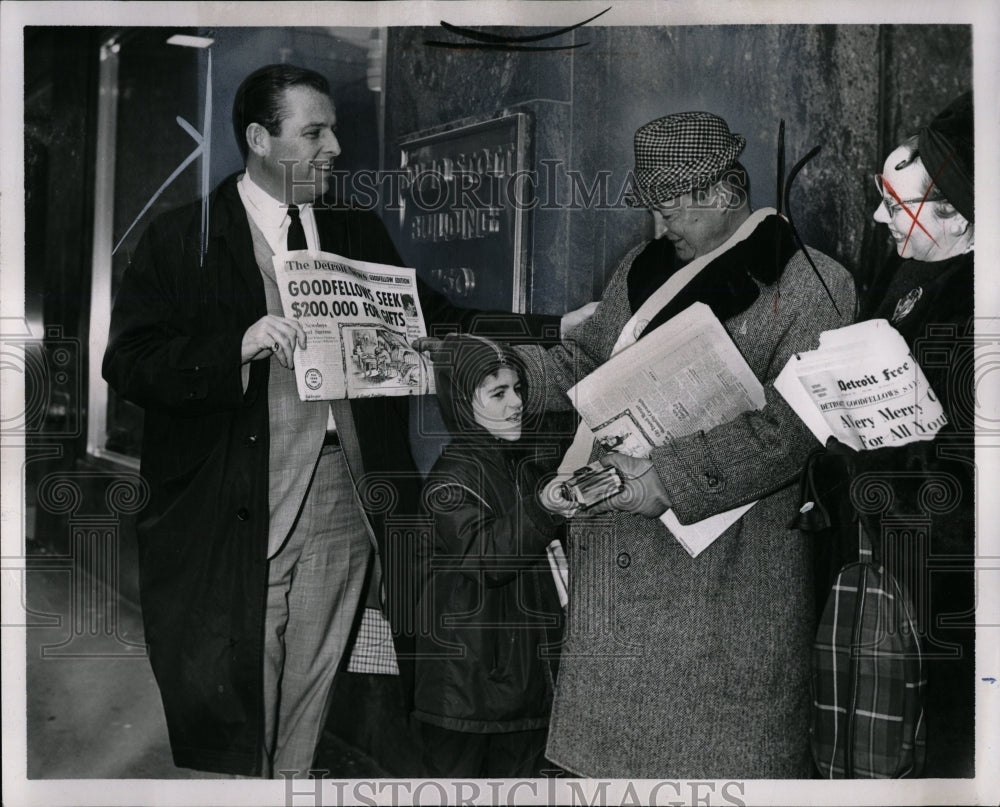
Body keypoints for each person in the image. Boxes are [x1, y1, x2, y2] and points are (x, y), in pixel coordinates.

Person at [102, 63, 586, 777]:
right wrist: (235, 344)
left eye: (334, 130)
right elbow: (130, 361)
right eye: (314, 131)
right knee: (244, 673)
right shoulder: (184, 239)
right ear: (260, 139)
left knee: (317, 670)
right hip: (238, 495)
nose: (333, 147)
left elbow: (436, 313)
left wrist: (556, 325)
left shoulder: (353, 228)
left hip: (346, 490)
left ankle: (289, 784)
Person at [507, 112, 858, 777]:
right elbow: (587, 357)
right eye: (655, 210)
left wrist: (665, 478)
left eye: (672, 209)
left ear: (725, 193)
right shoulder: (643, 267)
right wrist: (520, 378)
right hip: (617, 584)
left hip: (723, 592)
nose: (661, 227)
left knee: (702, 770)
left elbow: (789, 429)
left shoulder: (813, 283)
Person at [797, 91, 975, 777]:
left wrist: (865, 467)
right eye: (881, 193)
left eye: (896, 206)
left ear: (960, 217)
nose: (877, 216)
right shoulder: (913, 262)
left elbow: (963, 493)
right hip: (869, 569)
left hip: (939, 604)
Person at [413, 335, 564, 777]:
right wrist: (543, 508)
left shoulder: (524, 466)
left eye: (517, 389)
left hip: (519, 690)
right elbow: (487, 560)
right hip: (466, 695)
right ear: (463, 402)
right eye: (498, 393)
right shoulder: (451, 480)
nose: (515, 403)